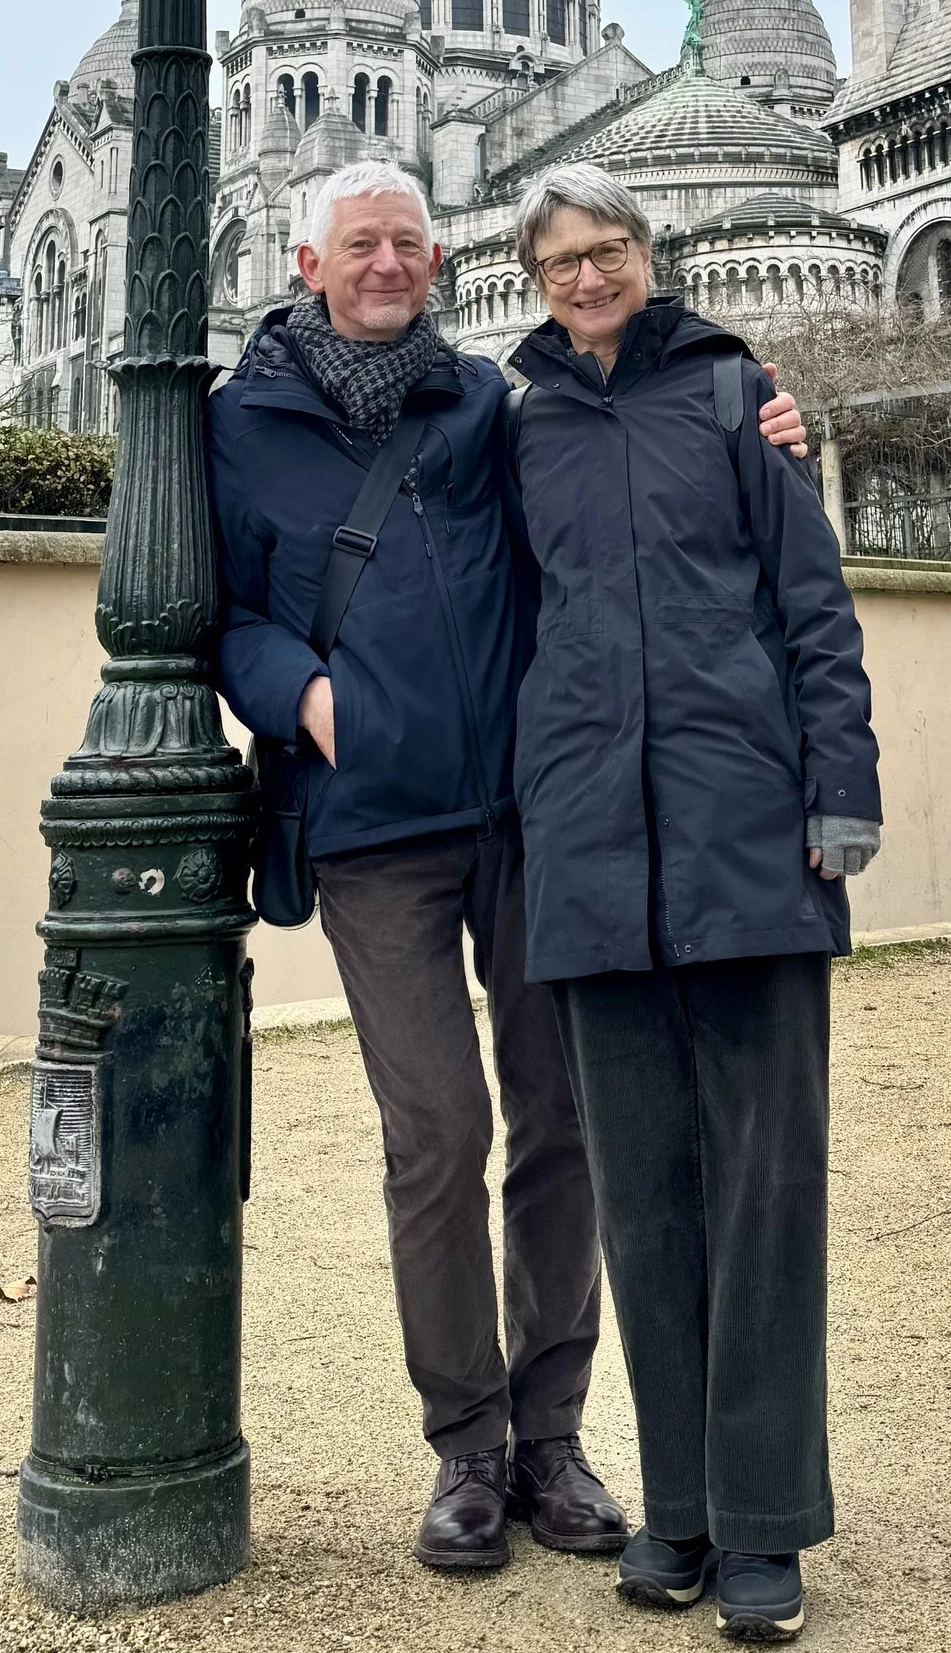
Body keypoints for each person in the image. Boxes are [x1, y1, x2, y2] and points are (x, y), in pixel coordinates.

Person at [210, 158, 809, 1577]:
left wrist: (763, 422)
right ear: (308, 263)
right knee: (438, 1137)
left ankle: (555, 1436)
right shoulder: (235, 427)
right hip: (371, 831)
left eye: (409, 243)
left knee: (567, 1124)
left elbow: (609, 484)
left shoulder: (484, 399)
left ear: (439, 260)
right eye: (361, 244)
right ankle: (467, 1447)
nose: (388, 265)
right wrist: (299, 691)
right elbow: (214, 611)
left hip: (533, 819)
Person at [504, 160, 882, 1649]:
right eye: (561, 263)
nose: (588, 279)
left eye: (608, 252)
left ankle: (769, 1523)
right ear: (532, 282)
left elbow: (815, 607)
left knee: (766, 1197)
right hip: (593, 856)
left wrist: (838, 787)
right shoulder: (522, 428)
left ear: (648, 255)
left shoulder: (738, 397)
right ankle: (679, 1508)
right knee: (645, 1204)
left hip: (749, 846)